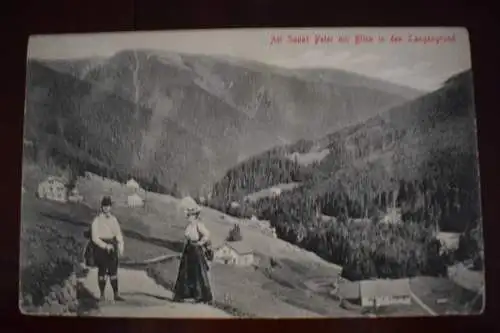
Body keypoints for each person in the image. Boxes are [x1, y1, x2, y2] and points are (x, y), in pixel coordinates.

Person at [172, 205, 214, 304]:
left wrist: (200, 242)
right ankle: (182, 295)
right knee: (185, 272)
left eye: (190, 215)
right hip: (188, 250)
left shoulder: (198, 225)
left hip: (196, 251)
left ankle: (201, 296)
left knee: (197, 273)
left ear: (195, 216)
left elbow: (207, 234)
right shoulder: (189, 226)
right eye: (188, 215)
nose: (189, 217)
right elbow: (186, 239)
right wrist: (182, 251)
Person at [91, 196, 125, 302]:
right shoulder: (97, 220)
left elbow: (118, 234)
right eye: (104, 206)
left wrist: (120, 246)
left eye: (108, 206)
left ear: (110, 207)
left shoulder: (114, 220)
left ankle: (116, 294)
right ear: (101, 207)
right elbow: (94, 238)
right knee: (102, 271)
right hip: (101, 247)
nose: (106, 208)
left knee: (113, 271)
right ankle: (102, 295)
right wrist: (105, 246)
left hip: (112, 245)